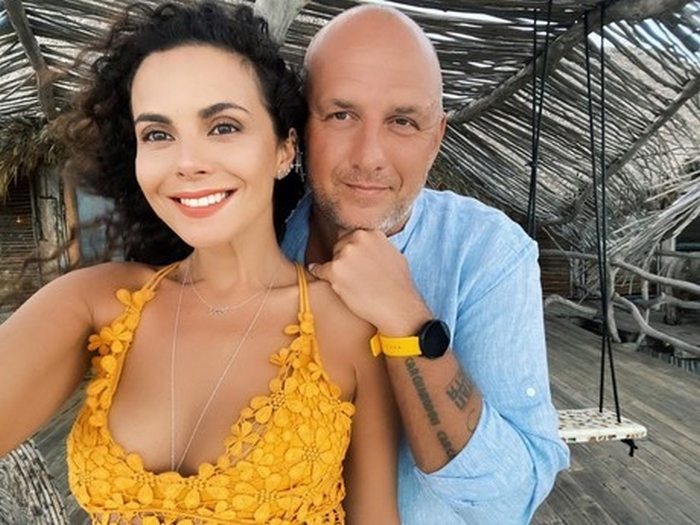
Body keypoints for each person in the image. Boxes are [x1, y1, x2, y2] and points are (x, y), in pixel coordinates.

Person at [0, 2, 400, 524]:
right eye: (158, 135)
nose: (187, 162)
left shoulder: (348, 326)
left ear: (284, 150)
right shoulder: (98, 304)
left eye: (223, 127)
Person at [281, 5, 571, 524]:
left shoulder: (489, 253)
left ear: (435, 138)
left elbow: (508, 504)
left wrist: (408, 323)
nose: (369, 156)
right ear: (301, 127)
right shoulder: (259, 244)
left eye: (402, 122)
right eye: (341, 115)